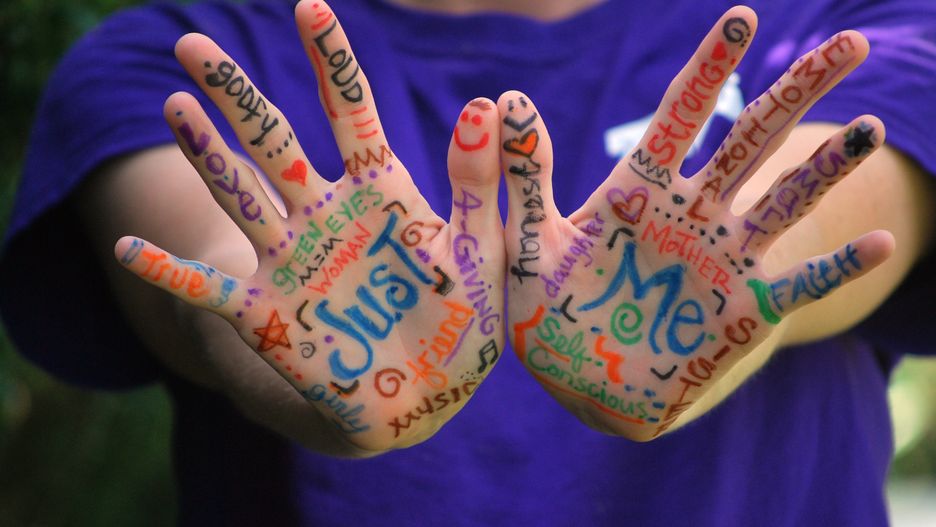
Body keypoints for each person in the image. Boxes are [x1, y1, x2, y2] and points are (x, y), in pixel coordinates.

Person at [1, 0, 933, 524]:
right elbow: (215, 282)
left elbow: (822, 225)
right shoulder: (164, 57)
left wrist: (701, 309)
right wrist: (325, 362)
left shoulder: (852, 19)